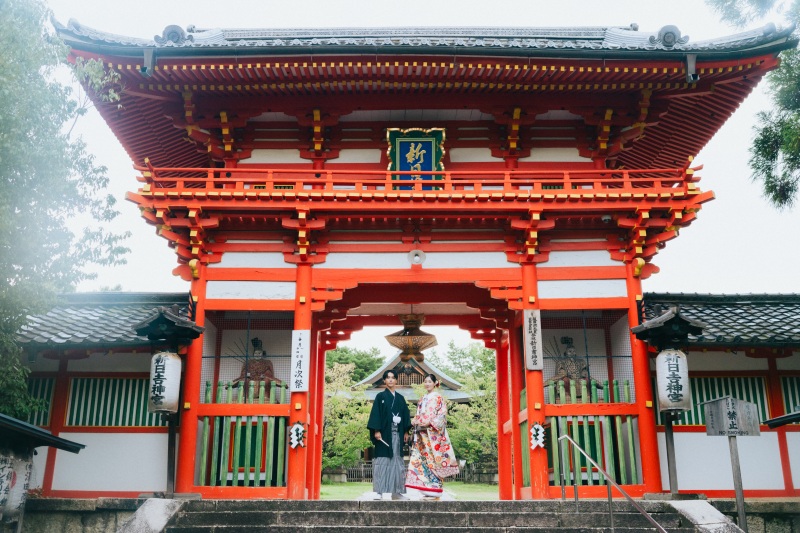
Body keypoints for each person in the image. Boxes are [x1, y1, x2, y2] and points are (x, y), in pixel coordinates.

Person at [405, 373, 459, 499]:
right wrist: (414, 422)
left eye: (429, 381)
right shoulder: (422, 398)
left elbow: (442, 415)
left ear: (435, 383)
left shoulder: (438, 397)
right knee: (422, 458)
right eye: (425, 381)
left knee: (434, 459)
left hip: (433, 433)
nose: (427, 384)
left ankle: (435, 487)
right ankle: (425, 487)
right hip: (421, 433)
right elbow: (418, 414)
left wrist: (430, 423)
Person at [367, 369, 412, 500]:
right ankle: (379, 492)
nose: (390, 380)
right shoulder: (380, 397)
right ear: (384, 380)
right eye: (388, 377)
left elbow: (405, 415)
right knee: (382, 461)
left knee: (397, 462)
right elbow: (376, 414)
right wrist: (376, 430)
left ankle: (396, 493)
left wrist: (406, 431)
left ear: (396, 380)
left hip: (397, 434)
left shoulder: (400, 398)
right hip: (383, 435)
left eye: (393, 377)